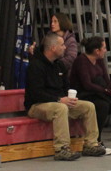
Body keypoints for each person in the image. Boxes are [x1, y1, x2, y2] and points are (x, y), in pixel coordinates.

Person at [25, 32, 106, 160]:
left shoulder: (59, 65)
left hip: (58, 102)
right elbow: (36, 93)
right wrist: (59, 100)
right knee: (61, 108)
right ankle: (61, 148)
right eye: (62, 45)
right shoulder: (35, 66)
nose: (65, 47)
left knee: (88, 106)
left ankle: (91, 144)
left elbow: (66, 87)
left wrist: (70, 98)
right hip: (37, 105)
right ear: (53, 48)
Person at [70, 36, 111, 153]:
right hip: (84, 95)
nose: (105, 50)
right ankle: (96, 142)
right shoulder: (81, 61)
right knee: (102, 106)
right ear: (96, 51)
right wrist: (109, 92)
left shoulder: (99, 60)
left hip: (98, 93)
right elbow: (87, 84)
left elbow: (107, 80)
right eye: (104, 48)